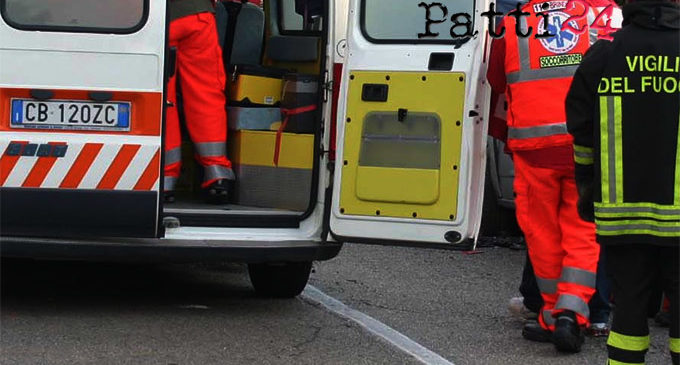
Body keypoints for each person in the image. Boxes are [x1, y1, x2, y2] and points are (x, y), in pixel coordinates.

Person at [487, 0, 620, 353]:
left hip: (534, 145)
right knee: (582, 230)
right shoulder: (599, 13)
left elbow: (496, 79)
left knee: (542, 231)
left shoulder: (513, 22)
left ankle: (550, 311)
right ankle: (571, 314)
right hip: (584, 139)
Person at [565, 0, 680, 362]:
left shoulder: (604, 54)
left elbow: (581, 133)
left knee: (628, 311)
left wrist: (586, 189)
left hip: (622, 217)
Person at [165, 0, 235, 203]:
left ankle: (165, 178)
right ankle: (217, 174)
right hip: (197, 14)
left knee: (162, 100)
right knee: (205, 94)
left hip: (156, 19)